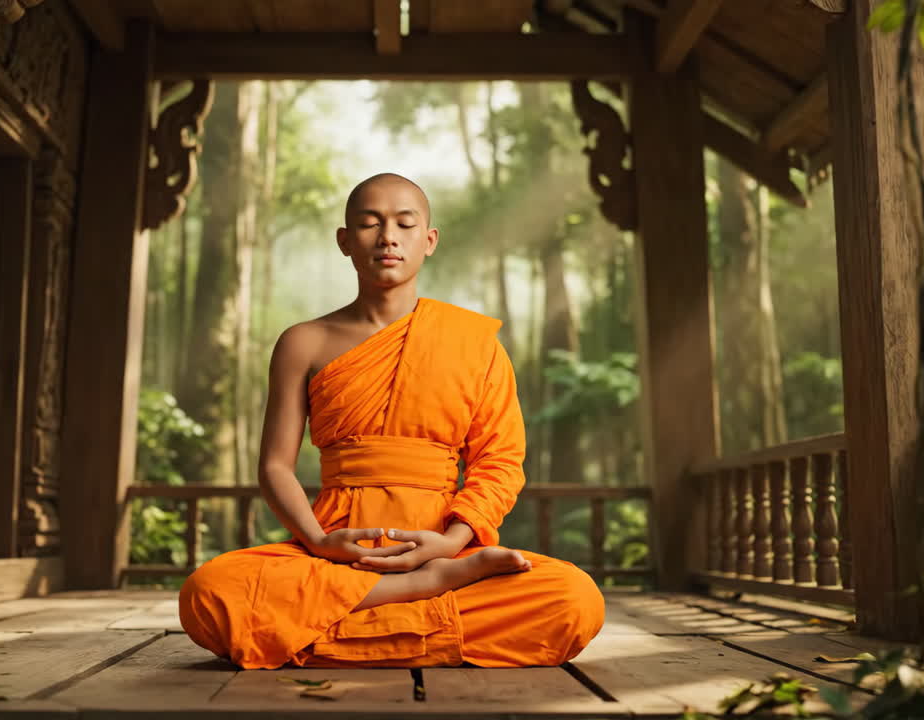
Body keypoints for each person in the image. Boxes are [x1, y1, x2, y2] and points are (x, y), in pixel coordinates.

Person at [179, 173, 605, 669]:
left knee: (574, 598)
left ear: (429, 240)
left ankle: (344, 618)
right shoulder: (304, 342)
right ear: (345, 241)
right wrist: (318, 541)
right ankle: (425, 594)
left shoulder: (475, 344)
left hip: (441, 545)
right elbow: (275, 466)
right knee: (209, 593)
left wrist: (451, 543)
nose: (388, 238)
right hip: (337, 551)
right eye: (369, 224)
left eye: (405, 224)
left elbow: (500, 461)